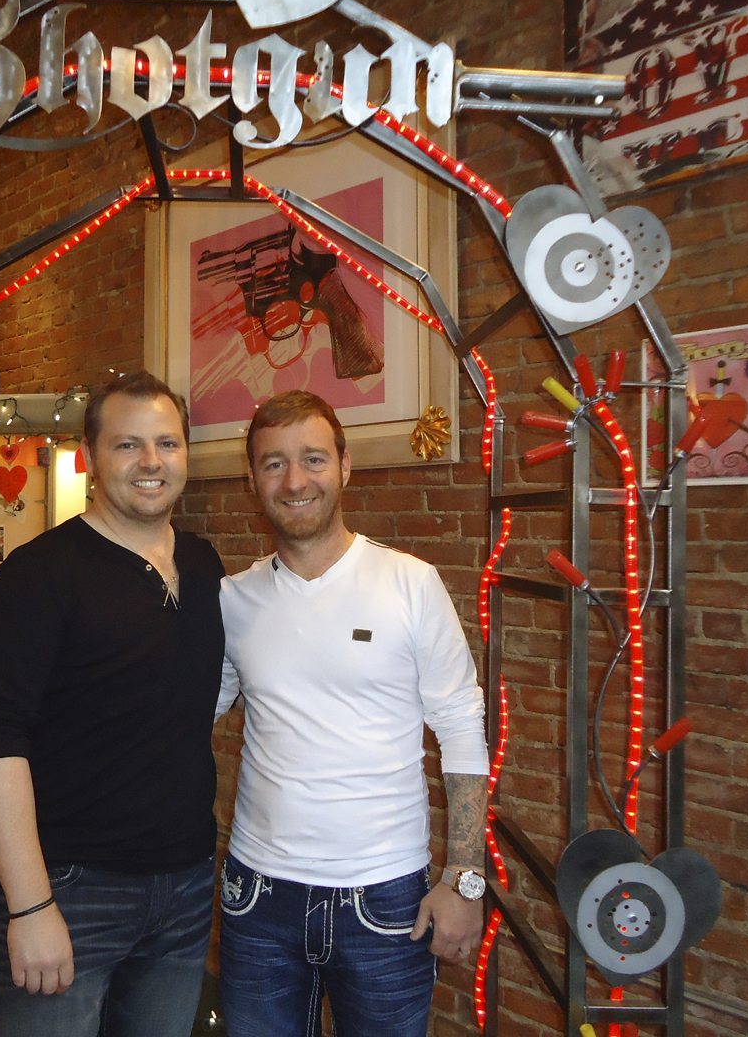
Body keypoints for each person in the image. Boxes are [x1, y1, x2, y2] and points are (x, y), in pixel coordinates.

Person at [0, 371, 226, 1037]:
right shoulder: (38, 575)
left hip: (187, 883)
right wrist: (30, 905)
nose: (151, 461)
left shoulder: (204, 566)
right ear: (90, 456)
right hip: (71, 886)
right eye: (128, 445)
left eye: (167, 443)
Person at [215, 390, 489, 1037]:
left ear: (344, 466)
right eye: (274, 463)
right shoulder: (232, 600)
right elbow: (183, 715)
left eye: (313, 458)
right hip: (257, 900)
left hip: (386, 902)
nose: (295, 480)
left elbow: (460, 728)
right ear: (252, 479)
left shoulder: (410, 584)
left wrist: (465, 880)